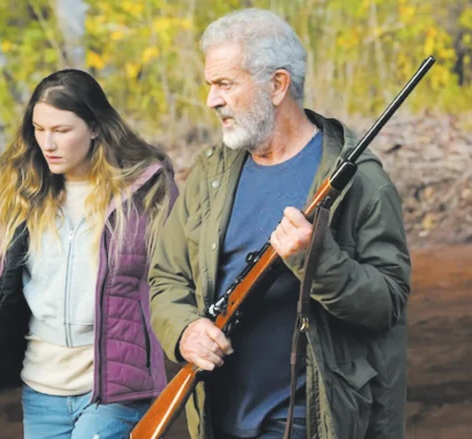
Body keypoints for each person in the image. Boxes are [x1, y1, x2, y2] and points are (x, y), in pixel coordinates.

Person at [148, 8, 411, 439]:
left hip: (310, 422)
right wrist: (184, 331)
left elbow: (387, 302)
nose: (212, 100)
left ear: (277, 85)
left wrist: (316, 260)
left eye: (225, 84)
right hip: (218, 421)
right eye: (211, 85)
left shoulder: (360, 181)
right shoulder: (211, 175)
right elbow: (166, 279)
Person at [0, 69, 177, 439]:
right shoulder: (24, 195)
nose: (48, 143)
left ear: (95, 127)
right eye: (39, 129)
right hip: (41, 392)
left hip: (116, 391)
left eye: (61, 130)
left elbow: (179, 276)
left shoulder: (145, 194)